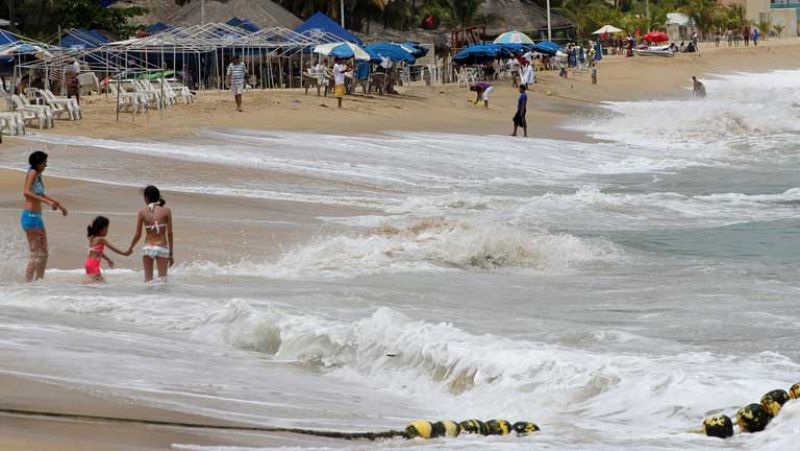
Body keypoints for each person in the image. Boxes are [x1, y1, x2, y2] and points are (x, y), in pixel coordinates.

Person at [21, 151, 68, 282]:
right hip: (30, 216)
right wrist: (47, 202)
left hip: (36, 217)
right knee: (36, 253)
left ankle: (39, 281)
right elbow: (26, 192)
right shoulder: (32, 173)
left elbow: (40, 194)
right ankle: (27, 283)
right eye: (44, 162)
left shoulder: (38, 174)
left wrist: (57, 204)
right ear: (38, 163)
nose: (46, 165)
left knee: (44, 253)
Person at [127, 185, 174, 283]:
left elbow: (138, 235)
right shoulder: (167, 210)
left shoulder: (142, 212)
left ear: (146, 198)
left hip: (147, 248)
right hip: (161, 247)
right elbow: (169, 233)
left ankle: (147, 298)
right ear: (158, 196)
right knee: (162, 281)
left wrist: (130, 248)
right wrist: (171, 253)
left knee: (148, 281)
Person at [85, 216, 129, 283]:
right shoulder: (101, 239)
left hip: (88, 262)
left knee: (94, 281)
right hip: (94, 264)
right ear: (100, 230)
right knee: (100, 282)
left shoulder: (92, 238)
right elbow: (113, 248)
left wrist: (108, 259)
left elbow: (98, 252)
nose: (107, 231)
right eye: (106, 229)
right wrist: (124, 253)